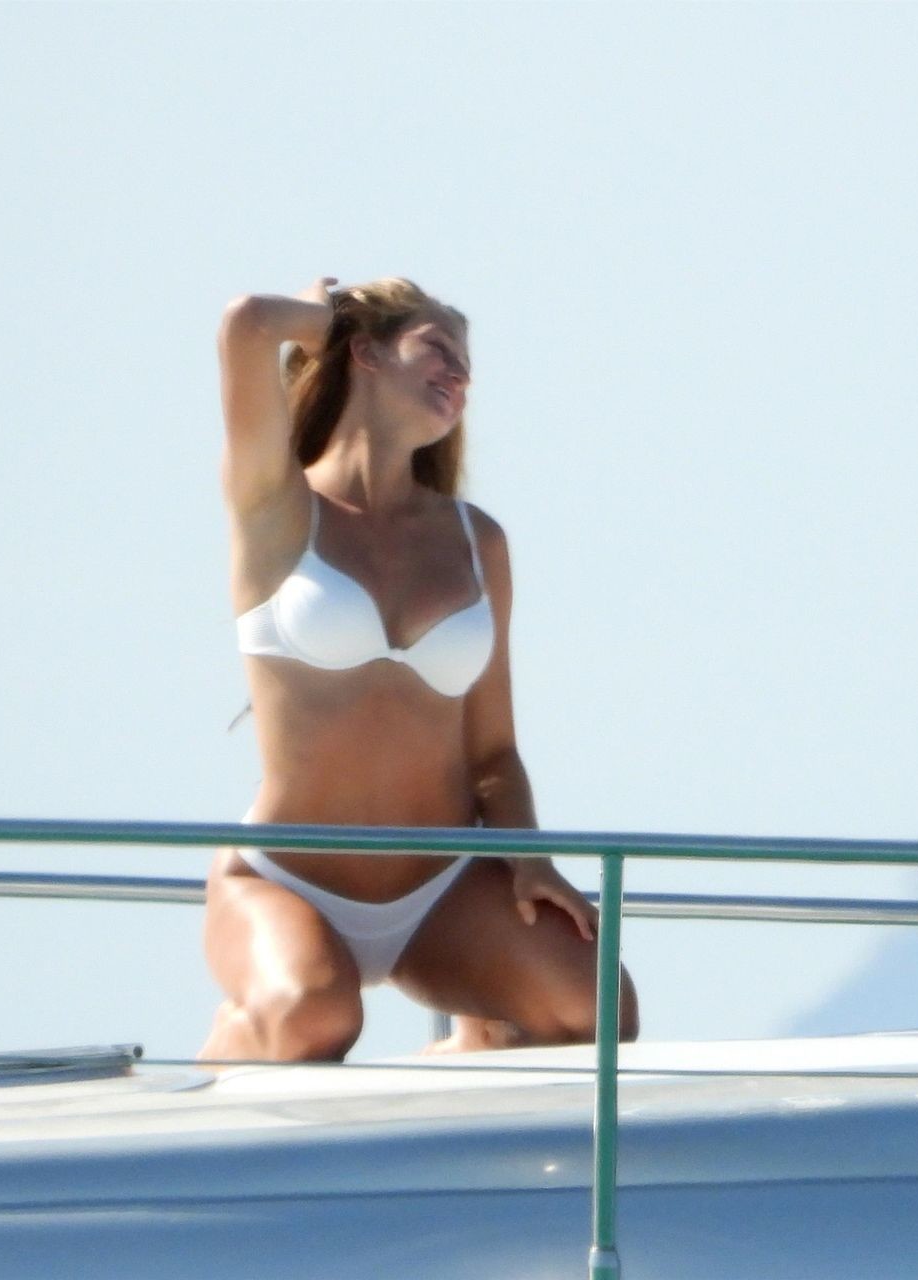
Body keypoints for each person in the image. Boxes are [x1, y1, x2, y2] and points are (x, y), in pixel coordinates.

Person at [203, 277, 637, 1061]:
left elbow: (493, 753)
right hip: (287, 879)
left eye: (467, 364)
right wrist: (328, 319)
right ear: (365, 353)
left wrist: (530, 860)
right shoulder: (275, 505)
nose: (459, 372)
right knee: (312, 1016)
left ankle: (468, 1051)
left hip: (443, 886)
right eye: (438, 346)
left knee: (598, 1012)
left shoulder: (477, 540)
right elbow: (248, 323)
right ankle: (227, 1053)